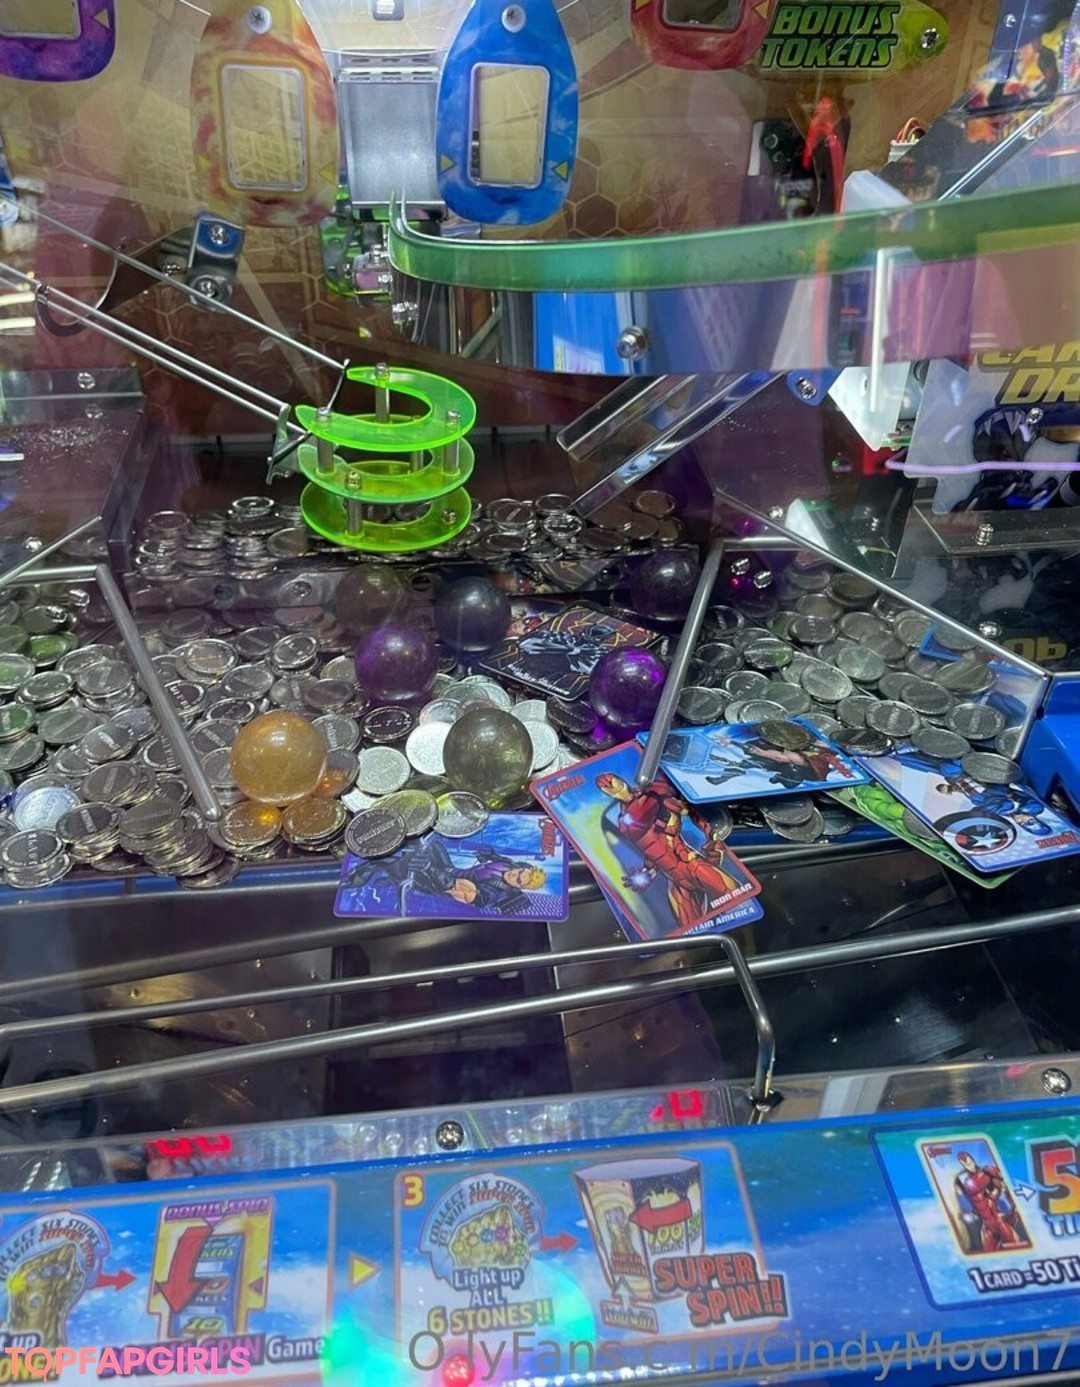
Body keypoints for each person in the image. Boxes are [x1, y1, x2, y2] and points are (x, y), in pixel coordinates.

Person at [596, 772, 739, 929]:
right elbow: (651, 849)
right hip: (675, 881)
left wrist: (713, 840)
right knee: (692, 930)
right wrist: (649, 872)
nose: (610, 787)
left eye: (611, 783)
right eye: (606, 788)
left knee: (735, 899)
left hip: (690, 863)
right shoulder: (626, 822)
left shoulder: (656, 796)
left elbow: (693, 816)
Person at [344, 838, 545, 913]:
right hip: (450, 869)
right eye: (520, 871)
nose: (514, 874)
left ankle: (365, 878)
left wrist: (430, 868)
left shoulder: (496, 892)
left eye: (518, 879)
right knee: (432, 845)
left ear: (519, 887)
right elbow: (497, 858)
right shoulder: (510, 864)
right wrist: (490, 855)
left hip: (439, 883)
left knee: (387, 864)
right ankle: (397, 874)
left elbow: (459, 890)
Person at [953, 1150, 1027, 1252]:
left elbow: (1004, 1188)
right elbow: (964, 1199)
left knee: (1015, 1244)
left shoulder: (988, 1171)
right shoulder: (962, 1179)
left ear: (972, 1159)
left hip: (998, 1217)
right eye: (964, 1163)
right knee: (989, 1251)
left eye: (968, 1160)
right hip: (987, 1224)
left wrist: (1008, 1206)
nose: (968, 1163)